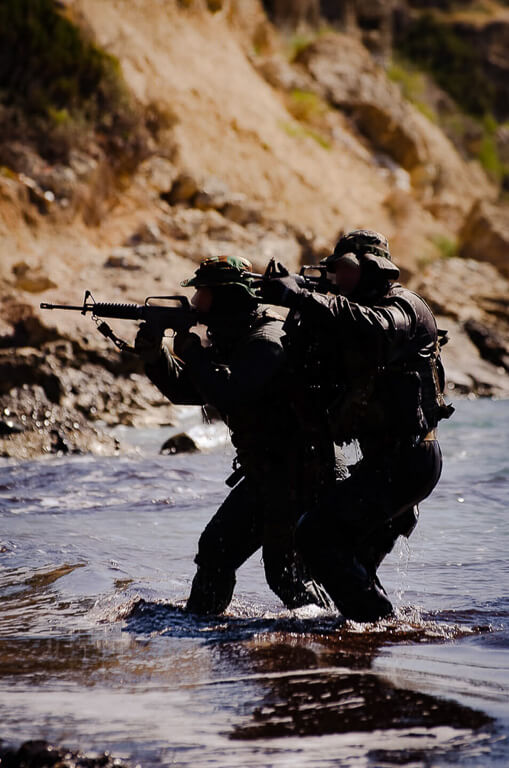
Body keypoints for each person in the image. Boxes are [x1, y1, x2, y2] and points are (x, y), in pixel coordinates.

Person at [261, 229, 454, 622]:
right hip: (385, 463)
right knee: (345, 559)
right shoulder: (344, 314)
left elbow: (379, 329)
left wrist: (303, 297)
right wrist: (299, 311)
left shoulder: (404, 306)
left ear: (372, 269)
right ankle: (380, 632)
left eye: (345, 269)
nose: (336, 279)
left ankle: (375, 628)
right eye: (332, 271)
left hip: (410, 461)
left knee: (316, 536)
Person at [134, 254, 335, 615]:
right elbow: (191, 391)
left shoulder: (267, 341)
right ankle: (200, 628)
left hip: (296, 476)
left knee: (285, 575)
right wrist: (155, 355)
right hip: (268, 473)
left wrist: (194, 355)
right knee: (215, 551)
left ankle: (338, 639)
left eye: (203, 294)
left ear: (226, 297)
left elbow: (229, 393)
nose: (195, 304)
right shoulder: (236, 339)